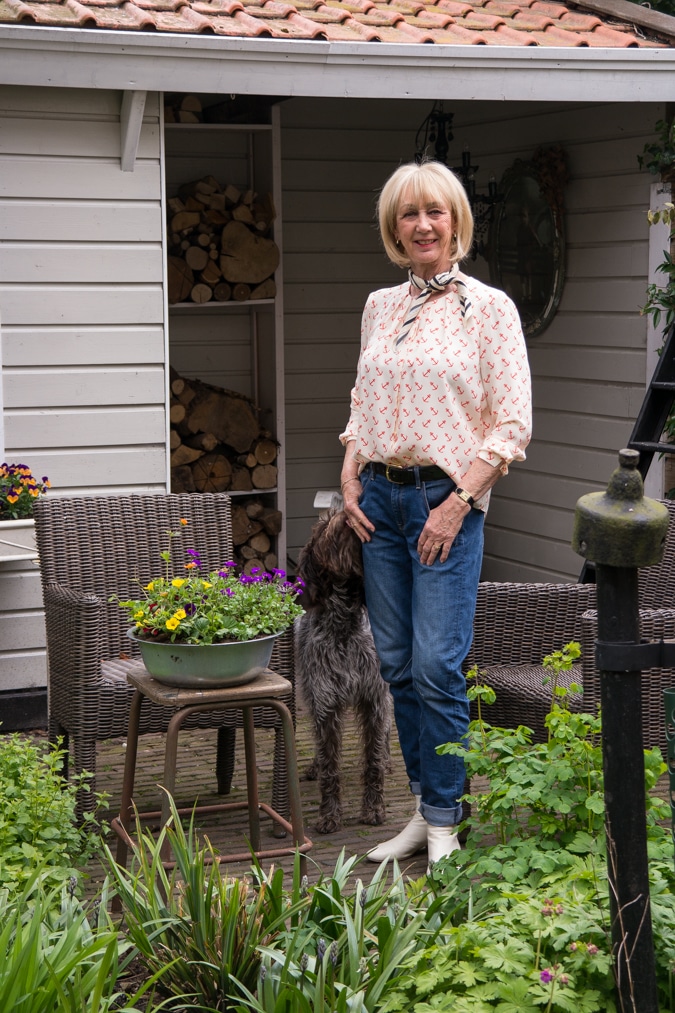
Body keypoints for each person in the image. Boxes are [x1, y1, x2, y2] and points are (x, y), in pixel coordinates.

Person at [339, 160, 532, 867]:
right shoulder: (378, 306)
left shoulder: (488, 308)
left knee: (436, 665)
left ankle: (448, 817)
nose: (421, 224)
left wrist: (457, 503)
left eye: (434, 212)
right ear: (393, 227)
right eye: (408, 213)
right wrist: (349, 468)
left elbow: (510, 425)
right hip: (381, 504)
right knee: (393, 663)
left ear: (455, 222)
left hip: (442, 501)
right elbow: (363, 398)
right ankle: (424, 807)